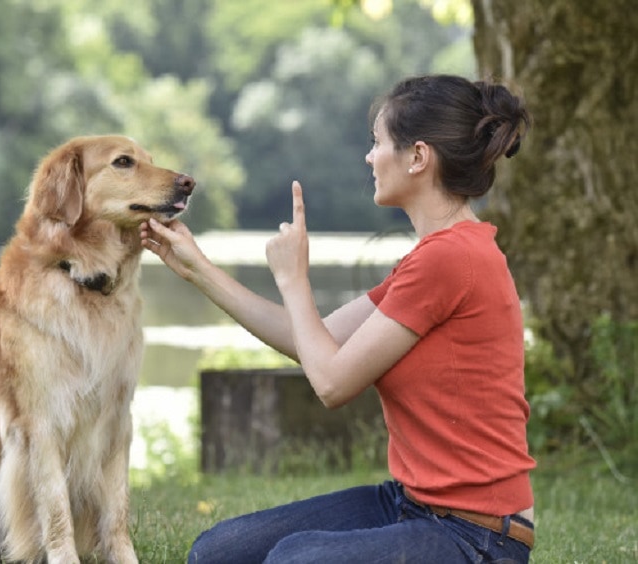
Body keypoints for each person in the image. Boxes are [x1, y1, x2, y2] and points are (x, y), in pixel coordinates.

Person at [140, 74, 536, 563]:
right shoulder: (432, 258)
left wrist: (294, 279)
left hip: (476, 535)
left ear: (417, 157)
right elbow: (316, 340)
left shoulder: (450, 260)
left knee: (293, 560)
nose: (370, 157)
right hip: (412, 506)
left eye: (377, 143)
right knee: (218, 552)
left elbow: (330, 383)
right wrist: (199, 270)